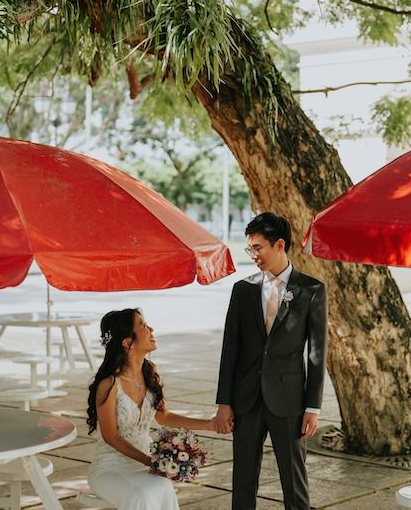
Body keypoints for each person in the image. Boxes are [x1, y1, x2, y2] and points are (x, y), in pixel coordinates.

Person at [212, 212, 328, 510]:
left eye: (257, 248)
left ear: (279, 245)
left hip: (289, 401)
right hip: (246, 399)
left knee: (294, 482)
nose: (253, 255)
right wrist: (224, 402)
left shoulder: (311, 290)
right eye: (250, 248)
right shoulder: (243, 289)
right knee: (243, 482)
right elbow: (230, 349)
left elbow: (317, 353)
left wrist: (312, 407)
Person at [86, 308, 222, 510]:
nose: (151, 329)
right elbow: (111, 436)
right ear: (127, 342)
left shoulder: (151, 372)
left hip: (145, 463)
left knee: (163, 486)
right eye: (142, 325)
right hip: (110, 468)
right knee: (140, 496)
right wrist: (150, 461)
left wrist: (210, 425)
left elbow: (164, 416)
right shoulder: (109, 384)